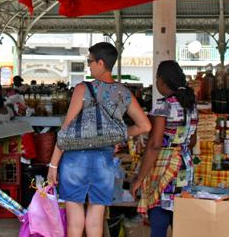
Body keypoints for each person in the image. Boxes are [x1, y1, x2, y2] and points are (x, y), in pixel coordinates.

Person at [47, 43, 151, 237]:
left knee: (74, 224)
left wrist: (53, 165)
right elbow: (145, 126)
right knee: (96, 222)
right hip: (104, 161)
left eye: (90, 61)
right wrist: (116, 134)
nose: (88, 66)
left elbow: (66, 129)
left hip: (75, 160)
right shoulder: (124, 92)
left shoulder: (82, 89)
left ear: (101, 63)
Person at [132, 61, 198, 237]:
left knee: (159, 219)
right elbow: (192, 141)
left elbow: (154, 144)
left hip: (163, 168)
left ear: (161, 80)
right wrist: (178, 146)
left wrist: (140, 178)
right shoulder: (191, 105)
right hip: (185, 166)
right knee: (181, 223)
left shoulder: (163, 105)